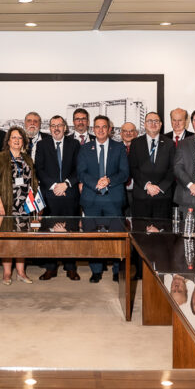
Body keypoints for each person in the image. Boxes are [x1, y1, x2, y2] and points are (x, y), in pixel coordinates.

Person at [77, 115, 129, 283]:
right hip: (91, 198)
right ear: (93, 129)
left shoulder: (119, 147)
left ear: (109, 129)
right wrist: (96, 183)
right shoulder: (85, 148)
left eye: (104, 127)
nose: (100, 130)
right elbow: (81, 172)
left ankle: (116, 269)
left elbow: (124, 172)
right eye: (97, 127)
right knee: (92, 237)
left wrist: (109, 180)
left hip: (112, 198)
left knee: (116, 236)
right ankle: (96, 270)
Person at [34, 115, 81, 281]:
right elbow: (39, 169)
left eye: (59, 125)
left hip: (69, 194)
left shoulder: (74, 144)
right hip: (50, 195)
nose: (56, 128)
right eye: (53, 125)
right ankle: (51, 267)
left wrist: (66, 184)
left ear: (65, 127)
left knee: (70, 232)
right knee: (49, 233)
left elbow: (79, 169)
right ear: (49, 128)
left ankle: (70, 267)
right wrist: (54, 186)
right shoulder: (42, 145)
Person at [0, 127, 38, 284]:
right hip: (7, 204)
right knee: (8, 240)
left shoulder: (27, 159)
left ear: (23, 141)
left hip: (25, 207)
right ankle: (6, 273)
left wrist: (36, 202)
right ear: (8, 140)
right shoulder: (2, 157)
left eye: (19, 138)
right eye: (13, 138)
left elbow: (33, 181)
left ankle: (21, 272)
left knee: (22, 240)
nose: (16, 140)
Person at [128, 111, 175, 221]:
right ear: (144, 124)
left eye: (156, 121)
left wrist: (160, 188)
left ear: (160, 124)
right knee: (140, 232)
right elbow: (133, 168)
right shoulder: (135, 143)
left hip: (163, 196)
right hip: (141, 195)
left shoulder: (169, 143)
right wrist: (147, 185)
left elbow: (173, 169)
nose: (153, 123)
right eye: (150, 121)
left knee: (162, 233)